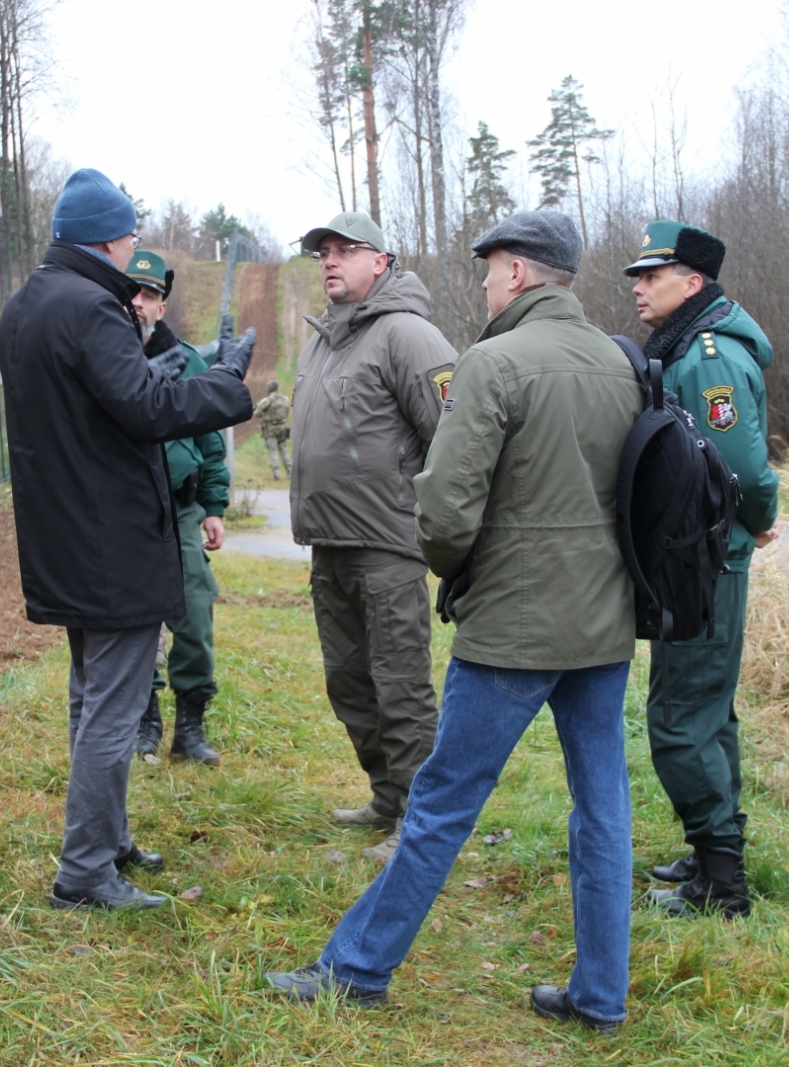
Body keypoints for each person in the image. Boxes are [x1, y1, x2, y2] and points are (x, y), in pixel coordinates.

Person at [268, 210, 644, 1034]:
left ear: (515, 272)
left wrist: (452, 570)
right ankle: (601, 993)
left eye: (488, 269)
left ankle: (357, 967)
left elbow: (442, 510)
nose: (481, 283)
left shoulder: (494, 362)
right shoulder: (620, 363)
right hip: (603, 624)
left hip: (513, 625)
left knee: (439, 802)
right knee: (603, 806)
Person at [0, 168, 254, 911]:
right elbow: (143, 409)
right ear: (108, 239)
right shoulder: (92, 306)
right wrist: (226, 383)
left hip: (63, 537)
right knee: (113, 707)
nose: (135, 246)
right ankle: (85, 872)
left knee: (92, 698)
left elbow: (91, 410)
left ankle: (104, 840)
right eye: (131, 235)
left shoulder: (26, 307)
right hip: (110, 542)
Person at [289, 211, 459, 863]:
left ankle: (421, 827)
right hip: (328, 544)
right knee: (349, 680)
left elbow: (455, 439)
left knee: (400, 685)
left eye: (345, 250)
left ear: (381, 261)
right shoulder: (325, 338)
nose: (330, 260)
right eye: (322, 251)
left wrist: (447, 536)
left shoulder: (408, 336)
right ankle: (388, 797)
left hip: (388, 545)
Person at [625, 220, 778, 920]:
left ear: (692, 282)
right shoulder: (690, 341)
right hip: (701, 552)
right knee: (707, 713)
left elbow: (737, 464)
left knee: (682, 718)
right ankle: (712, 847)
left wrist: (762, 511)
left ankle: (721, 882)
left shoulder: (707, 353)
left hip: (705, 557)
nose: (638, 287)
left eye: (652, 276)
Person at [118, 250, 233, 766]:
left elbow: (209, 440)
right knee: (130, 617)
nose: (139, 303)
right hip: (125, 512)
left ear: (162, 307)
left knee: (194, 608)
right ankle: (144, 717)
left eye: (149, 295)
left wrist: (213, 506)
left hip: (181, 507)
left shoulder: (187, 362)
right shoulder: (104, 359)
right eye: (131, 293)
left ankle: (191, 723)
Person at [253, 380, 292, 480]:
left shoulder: (267, 400)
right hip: (282, 428)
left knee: (273, 452)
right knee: (284, 450)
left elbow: (257, 413)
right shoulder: (285, 399)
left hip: (270, 429)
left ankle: (276, 475)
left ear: (269, 388)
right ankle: (290, 473)